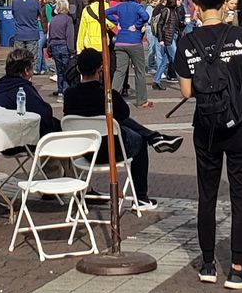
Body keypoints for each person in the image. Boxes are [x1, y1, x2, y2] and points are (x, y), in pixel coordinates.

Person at [173, 0, 242, 289]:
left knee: (207, 195)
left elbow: (186, 91)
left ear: (197, 8)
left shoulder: (187, 42)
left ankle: (208, 264)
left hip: (206, 126)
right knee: (240, 196)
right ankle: (237, 266)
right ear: (224, 6)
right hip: (239, 123)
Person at [64, 48, 179, 210]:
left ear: (78, 69)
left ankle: (153, 137)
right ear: (100, 69)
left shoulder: (69, 95)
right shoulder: (107, 95)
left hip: (84, 152)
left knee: (116, 123)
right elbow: (125, 113)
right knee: (137, 138)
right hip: (110, 152)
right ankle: (141, 196)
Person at [0, 47, 60, 137]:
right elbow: (44, 114)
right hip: (23, 139)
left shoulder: (0, 86)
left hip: (3, 136)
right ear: (26, 70)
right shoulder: (23, 90)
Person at [105, 0, 154, 109]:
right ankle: (141, 100)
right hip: (134, 42)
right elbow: (146, 16)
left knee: (119, 71)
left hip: (120, 41)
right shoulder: (137, 7)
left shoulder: (121, 6)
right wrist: (137, 25)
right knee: (139, 71)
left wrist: (117, 22)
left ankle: (112, 99)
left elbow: (106, 13)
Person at [46, 0, 78, 97]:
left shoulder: (54, 20)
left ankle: (60, 89)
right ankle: (65, 89)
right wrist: (72, 50)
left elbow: (49, 35)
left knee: (59, 70)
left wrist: (49, 48)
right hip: (64, 46)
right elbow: (70, 36)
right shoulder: (68, 19)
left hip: (54, 46)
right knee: (67, 70)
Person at [9, 0, 43, 66]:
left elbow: (14, 15)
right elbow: (39, 16)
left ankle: (19, 78)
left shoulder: (15, 2)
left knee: (18, 61)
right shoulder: (36, 3)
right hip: (32, 34)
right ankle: (29, 78)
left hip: (19, 34)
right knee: (31, 61)